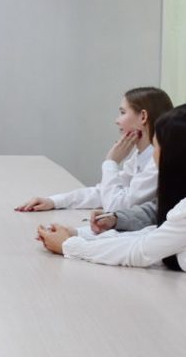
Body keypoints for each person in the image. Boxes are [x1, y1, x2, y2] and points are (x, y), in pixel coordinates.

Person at [37, 104, 186, 271]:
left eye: (122, 112)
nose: (117, 120)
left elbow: (142, 249)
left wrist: (69, 245)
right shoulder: (138, 158)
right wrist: (81, 234)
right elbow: (154, 231)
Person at [16, 87, 173, 213]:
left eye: (122, 113)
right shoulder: (141, 155)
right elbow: (104, 192)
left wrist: (111, 162)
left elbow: (116, 206)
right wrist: (54, 201)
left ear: (143, 117)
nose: (117, 120)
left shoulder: (156, 162)